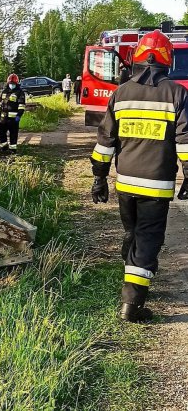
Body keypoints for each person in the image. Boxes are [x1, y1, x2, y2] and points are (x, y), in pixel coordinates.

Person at [90, 30, 188, 323]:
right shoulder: (177, 94)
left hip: (126, 183)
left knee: (134, 233)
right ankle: (131, 304)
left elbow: (105, 141)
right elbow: (185, 141)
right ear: (167, 61)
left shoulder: (120, 94)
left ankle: (137, 267)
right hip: (156, 185)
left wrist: (99, 178)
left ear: (137, 58)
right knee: (147, 240)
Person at [0, 73, 26, 153]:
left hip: (13, 119)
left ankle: (13, 149)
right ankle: (4, 147)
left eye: (13, 84)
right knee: (0, 132)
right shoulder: (4, 91)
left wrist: (19, 115)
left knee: (13, 135)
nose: (11, 85)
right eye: (10, 83)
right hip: (3, 117)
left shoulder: (20, 92)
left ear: (16, 83)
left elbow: (21, 105)